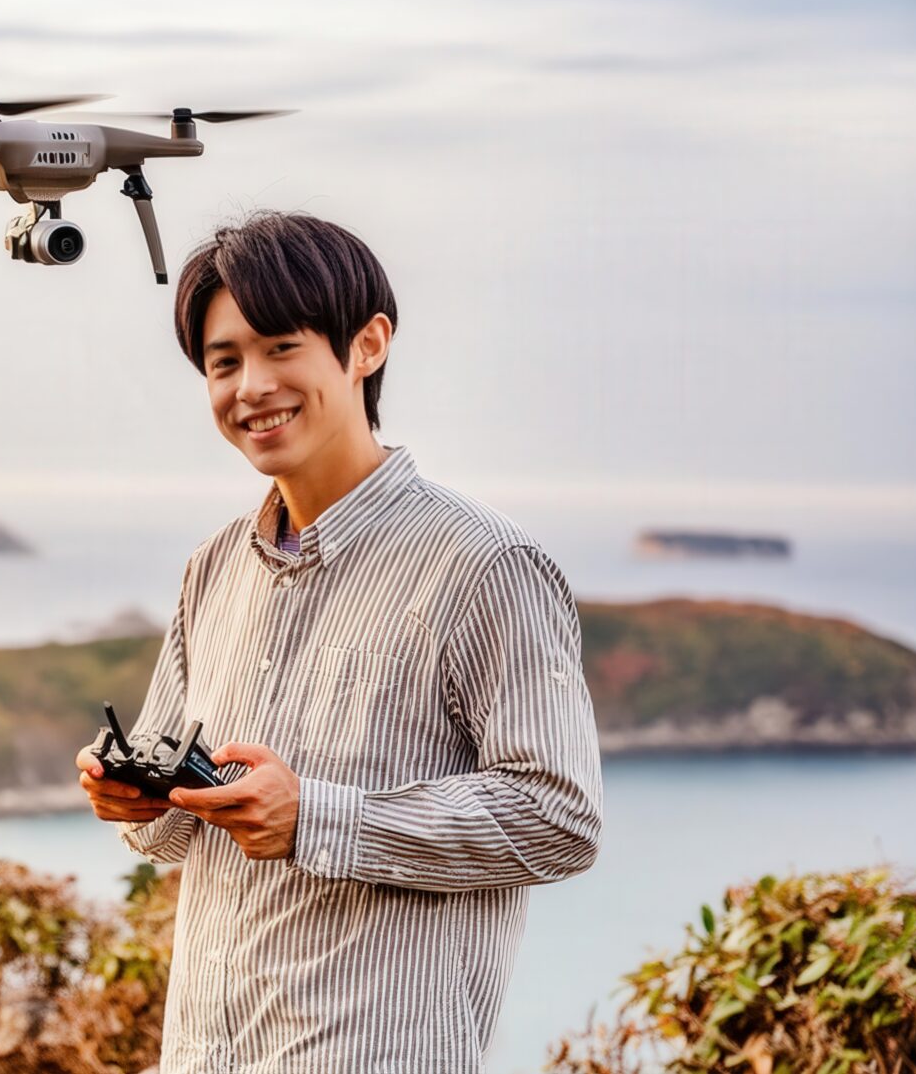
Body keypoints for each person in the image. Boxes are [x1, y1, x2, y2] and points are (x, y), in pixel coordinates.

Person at [75, 210, 603, 1072]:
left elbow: (560, 816)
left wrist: (316, 815)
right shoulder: (214, 568)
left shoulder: (484, 564)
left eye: (282, 347)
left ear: (368, 345)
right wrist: (139, 801)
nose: (251, 386)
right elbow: (171, 837)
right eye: (224, 361)